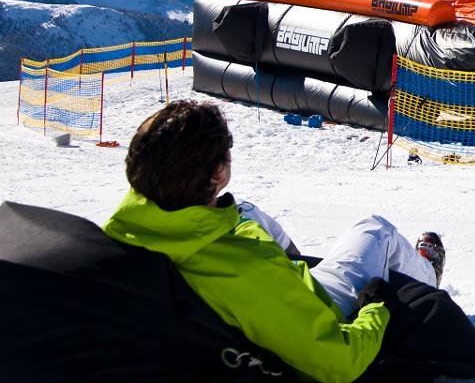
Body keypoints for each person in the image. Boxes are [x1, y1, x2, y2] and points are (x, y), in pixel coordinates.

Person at [102, 100, 445, 382]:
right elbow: (340, 361)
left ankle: (293, 262)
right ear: (218, 174)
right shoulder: (244, 270)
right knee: (375, 231)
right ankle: (427, 272)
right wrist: (375, 309)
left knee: (246, 210)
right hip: (311, 308)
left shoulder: (118, 234)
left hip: (215, 291)